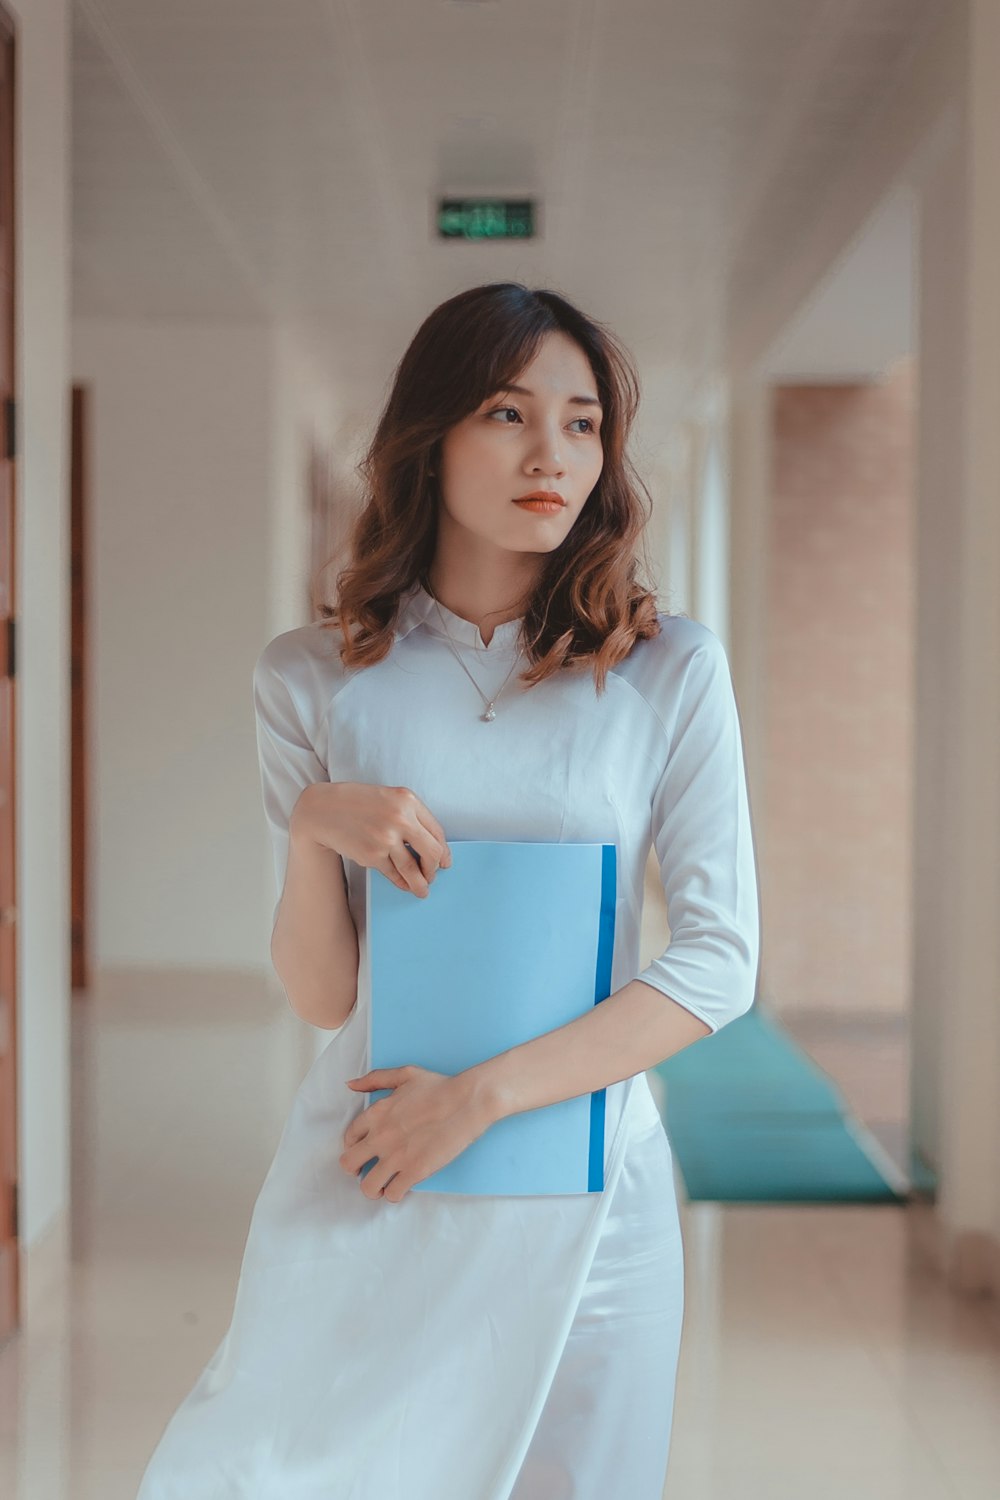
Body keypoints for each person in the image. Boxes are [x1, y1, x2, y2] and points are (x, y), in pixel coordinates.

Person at [135, 281, 760, 1499]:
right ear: (430, 437)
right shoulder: (312, 678)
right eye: (507, 412)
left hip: (584, 1185)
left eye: (583, 424)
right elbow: (323, 995)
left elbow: (717, 962)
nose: (553, 455)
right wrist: (316, 828)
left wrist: (478, 1100)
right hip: (375, 1165)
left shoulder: (669, 668)